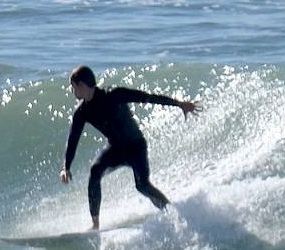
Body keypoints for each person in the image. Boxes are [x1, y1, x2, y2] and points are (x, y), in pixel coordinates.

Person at [60, 65, 201, 230]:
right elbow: (73, 139)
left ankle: (172, 213)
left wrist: (178, 104)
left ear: (82, 86)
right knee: (95, 171)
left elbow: (146, 98)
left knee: (142, 185)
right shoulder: (82, 112)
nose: (72, 91)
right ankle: (95, 224)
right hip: (116, 149)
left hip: (135, 146)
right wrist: (66, 167)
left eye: (73, 86)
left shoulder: (113, 94)